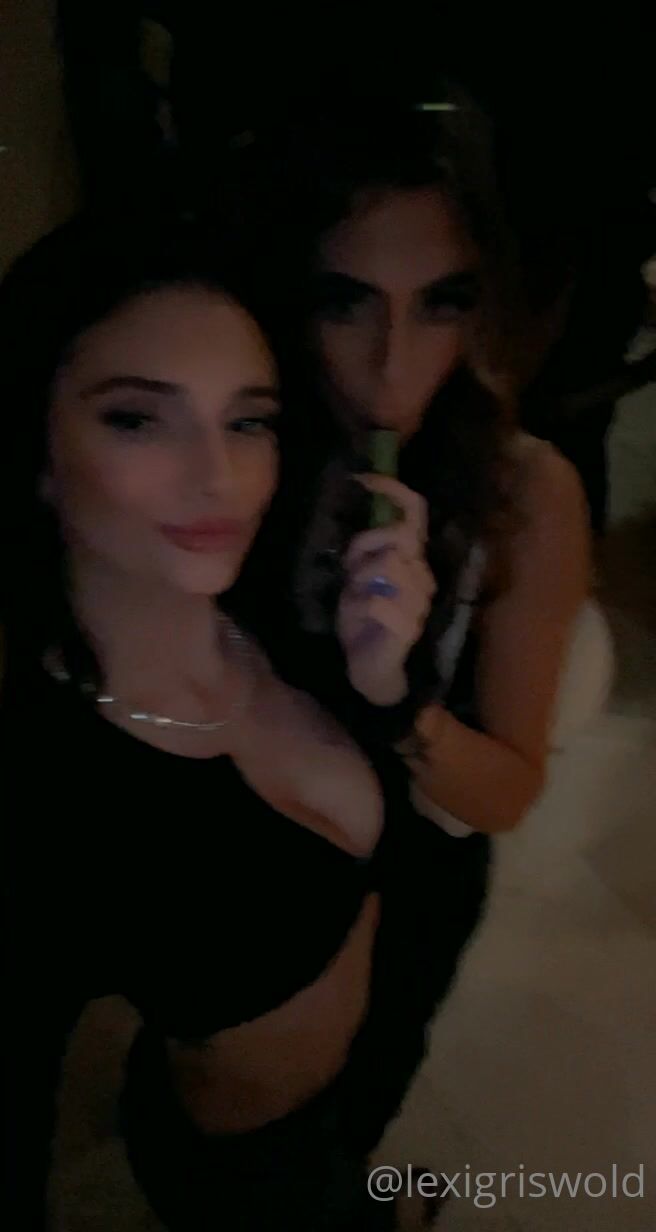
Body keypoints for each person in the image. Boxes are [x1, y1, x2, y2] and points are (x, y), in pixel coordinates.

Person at [1, 213, 476, 1231]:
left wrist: (383, 687)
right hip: (246, 1172)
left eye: (248, 422)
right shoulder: (42, 784)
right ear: (37, 447)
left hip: (360, 1079)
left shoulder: (283, 610)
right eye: (138, 419)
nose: (218, 476)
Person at [227, 95, 609, 845]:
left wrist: (398, 702)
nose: (392, 369)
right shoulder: (241, 432)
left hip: (402, 857)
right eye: (346, 305)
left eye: (441, 304)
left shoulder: (524, 489)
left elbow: (505, 797)